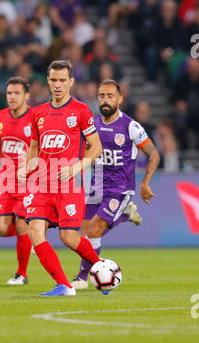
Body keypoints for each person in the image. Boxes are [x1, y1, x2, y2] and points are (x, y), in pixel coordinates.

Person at [18, 60, 103, 297]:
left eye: (62, 80)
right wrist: (27, 165)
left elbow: (95, 147)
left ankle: (99, 265)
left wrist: (78, 167)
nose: (57, 85)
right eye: (53, 80)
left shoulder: (81, 111)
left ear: (71, 82)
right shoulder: (38, 113)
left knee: (69, 238)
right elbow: (34, 146)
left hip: (70, 184)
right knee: (35, 230)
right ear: (48, 81)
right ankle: (64, 286)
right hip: (42, 184)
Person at [71, 79, 160, 289]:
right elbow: (83, 152)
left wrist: (145, 183)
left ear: (120, 99)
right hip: (96, 187)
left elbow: (154, 154)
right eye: (101, 95)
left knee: (93, 232)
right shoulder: (91, 125)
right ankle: (126, 215)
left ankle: (82, 277)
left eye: (110, 96)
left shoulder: (130, 126)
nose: (105, 100)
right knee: (82, 237)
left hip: (120, 189)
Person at [0, 77, 33, 286]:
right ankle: (30, 233)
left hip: (29, 182)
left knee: (22, 224)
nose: (12, 97)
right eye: (9, 93)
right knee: (0, 229)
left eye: (16, 93)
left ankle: (21, 274)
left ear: (26, 95)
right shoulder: (0, 117)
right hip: (5, 181)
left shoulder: (34, 118)